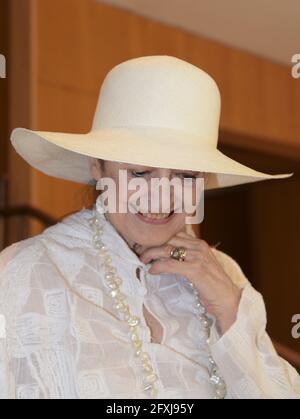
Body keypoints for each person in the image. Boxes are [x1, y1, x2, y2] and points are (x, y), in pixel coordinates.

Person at [0, 55, 299, 399]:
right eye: (141, 172)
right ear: (97, 167)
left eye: (186, 175)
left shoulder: (224, 273)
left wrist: (232, 312)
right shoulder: (29, 273)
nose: (161, 197)